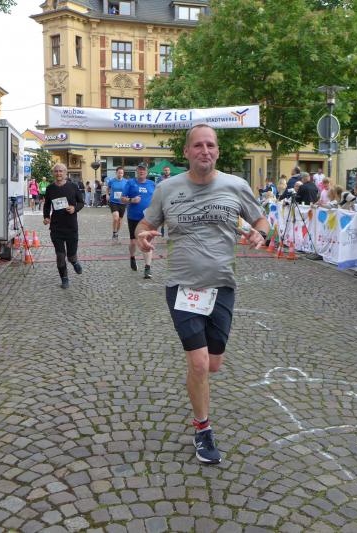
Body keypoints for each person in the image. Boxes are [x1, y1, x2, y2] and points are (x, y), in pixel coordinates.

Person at [134, 124, 268, 465]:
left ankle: (199, 387)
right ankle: (203, 428)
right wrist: (141, 236)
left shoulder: (236, 186)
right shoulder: (167, 188)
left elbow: (262, 222)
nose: (204, 150)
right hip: (182, 286)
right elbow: (146, 224)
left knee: (213, 364)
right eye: (197, 145)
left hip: (222, 286)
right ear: (186, 152)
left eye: (210, 145)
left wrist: (260, 235)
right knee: (198, 362)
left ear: (217, 151)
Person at [43, 163, 85, 288]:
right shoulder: (50, 188)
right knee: (60, 256)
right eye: (56, 171)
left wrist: (74, 208)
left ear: (65, 173)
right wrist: (46, 217)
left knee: (71, 256)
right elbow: (47, 205)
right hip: (56, 227)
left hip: (71, 226)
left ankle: (74, 262)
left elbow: (81, 202)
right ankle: (64, 279)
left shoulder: (73, 186)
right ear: (53, 173)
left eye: (61, 171)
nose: (58, 173)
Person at [122, 162, 156, 278]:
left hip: (147, 219)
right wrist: (131, 200)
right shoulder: (130, 183)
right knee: (133, 242)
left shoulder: (152, 184)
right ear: (137, 171)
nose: (142, 171)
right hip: (133, 217)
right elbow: (122, 199)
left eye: (144, 170)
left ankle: (147, 268)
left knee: (147, 242)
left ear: (147, 172)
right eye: (140, 169)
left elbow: (157, 199)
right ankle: (132, 257)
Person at [106, 166, 129, 240]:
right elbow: (108, 188)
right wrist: (107, 195)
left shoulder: (126, 181)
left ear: (123, 174)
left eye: (122, 173)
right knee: (116, 218)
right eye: (119, 173)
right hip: (113, 202)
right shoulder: (112, 181)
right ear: (116, 173)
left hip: (122, 203)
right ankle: (114, 232)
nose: (120, 174)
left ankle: (116, 233)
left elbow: (128, 190)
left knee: (119, 220)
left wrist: (128, 197)